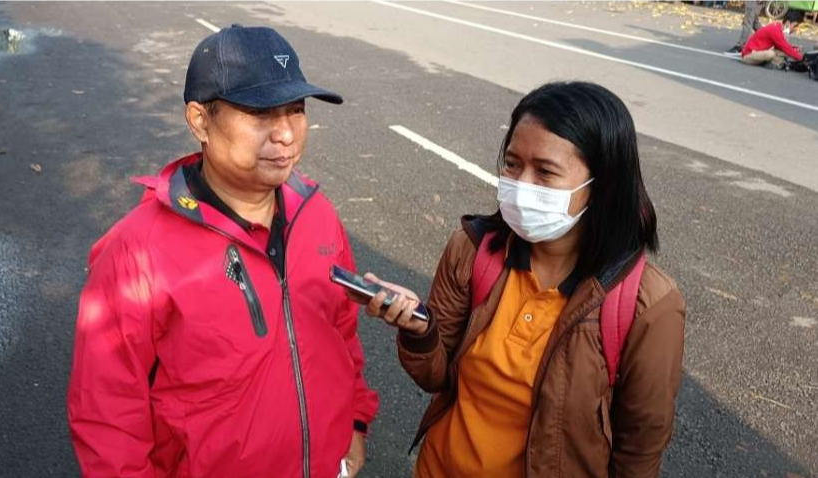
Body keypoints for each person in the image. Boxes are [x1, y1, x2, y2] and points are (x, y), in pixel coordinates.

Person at [67, 25, 378, 478]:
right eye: (261, 114)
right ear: (200, 121)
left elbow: (340, 332)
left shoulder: (317, 214)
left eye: (295, 110)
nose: (287, 135)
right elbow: (107, 420)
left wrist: (354, 419)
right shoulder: (136, 252)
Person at [349, 82, 685, 477]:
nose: (521, 185)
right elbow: (437, 376)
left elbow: (639, 452)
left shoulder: (648, 304)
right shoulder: (473, 251)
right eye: (512, 164)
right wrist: (418, 329)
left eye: (545, 171)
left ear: (601, 185)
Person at [741, 10, 805, 68]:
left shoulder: (778, 27)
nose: (795, 29)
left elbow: (783, 46)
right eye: (795, 26)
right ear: (788, 23)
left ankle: (773, 62)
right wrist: (802, 59)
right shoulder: (776, 30)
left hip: (759, 52)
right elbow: (786, 48)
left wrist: (794, 49)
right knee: (771, 54)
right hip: (748, 55)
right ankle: (771, 62)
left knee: (783, 53)